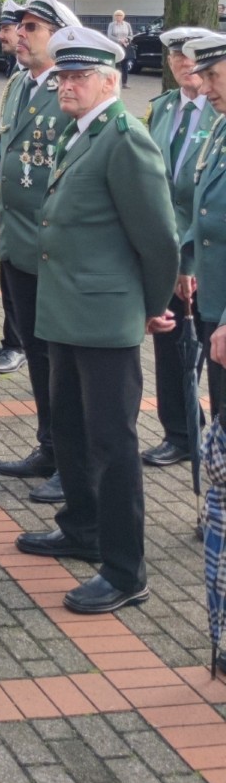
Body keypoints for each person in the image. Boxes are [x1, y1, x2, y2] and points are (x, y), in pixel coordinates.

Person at [17, 24, 178, 615]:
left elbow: (159, 239)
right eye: (63, 76)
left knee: (112, 444)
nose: (67, 86)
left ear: (111, 81)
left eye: (80, 77)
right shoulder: (79, 131)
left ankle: (125, 570)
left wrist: (151, 308)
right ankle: (82, 528)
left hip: (106, 316)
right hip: (66, 311)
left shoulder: (124, 139)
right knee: (71, 429)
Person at [0, 0, 80, 507]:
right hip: (17, 239)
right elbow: (9, 141)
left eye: (32, 28)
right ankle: (49, 445)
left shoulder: (67, 90)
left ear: (59, 36)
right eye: (19, 27)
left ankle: (71, 461)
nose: (19, 36)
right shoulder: (24, 84)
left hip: (50, 246)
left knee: (61, 362)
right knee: (38, 355)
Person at [141, 26, 214, 466]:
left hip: (202, 251)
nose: (184, 63)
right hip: (164, 247)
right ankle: (181, 433)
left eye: (191, 56)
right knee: (171, 346)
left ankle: (199, 435)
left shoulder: (219, 112)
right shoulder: (162, 107)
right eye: (175, 56)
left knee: (202, 348)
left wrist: (192, 262)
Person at [180, 31, 226, 423]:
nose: (205, 87)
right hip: (213, 299)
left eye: (213, 76)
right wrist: (186, 262)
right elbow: (206, 210)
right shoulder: (221, 128)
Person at [0, 2, 25, 375]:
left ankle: (19, 342)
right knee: (9, 272)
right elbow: (7, 135)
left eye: (7, 28)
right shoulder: (19, 77)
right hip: (12, 201)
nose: (2, 35)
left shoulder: (48, 82)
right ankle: (15, 337)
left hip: (35, 204)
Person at [107, 9, 134, 85]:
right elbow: (109, 35)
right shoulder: (111, 25)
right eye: (117, 15)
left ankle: (124, 83)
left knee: (125, 65)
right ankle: (112, 83)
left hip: (125, 46)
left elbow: (131, 35)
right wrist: (119, 40)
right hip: (115, 46)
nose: (118, 17)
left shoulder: (127, 24)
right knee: (114, 65)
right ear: (114, 16)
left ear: (123, 16)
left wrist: (127, 39)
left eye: (120, 15)